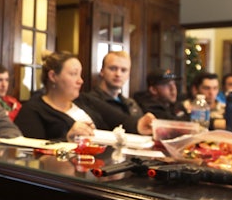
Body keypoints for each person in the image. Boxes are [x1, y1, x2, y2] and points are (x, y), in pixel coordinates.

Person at [15, 51, 153, 141]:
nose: (80, 81)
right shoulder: (32, 111)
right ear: (53, 76)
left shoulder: (84, 100)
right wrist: (67, 139)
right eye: (73, 74)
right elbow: (32, 153)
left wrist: (139, 125)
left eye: (80, 75)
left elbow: (118, 119)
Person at [85, 51, 142, 118]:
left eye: (123, 70)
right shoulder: (89, 102)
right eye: (113, 69)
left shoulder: (131, 104)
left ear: (128, 74)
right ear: (102, 71)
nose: (118, 74)